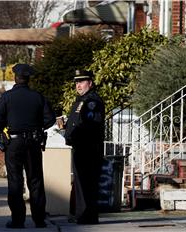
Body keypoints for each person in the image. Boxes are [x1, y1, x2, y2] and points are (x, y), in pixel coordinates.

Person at [0, 63, 55, 229]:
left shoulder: (7, 97)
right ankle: (39, 219)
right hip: (33, 142)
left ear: (15, 78)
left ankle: (18, 220)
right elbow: (50, 119)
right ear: (28, 79)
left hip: (14, 142)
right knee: (35, 181)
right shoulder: (37, 97)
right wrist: (36, 126)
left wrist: (8, 125)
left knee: (15, 181)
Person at [64, 70, 105, 224]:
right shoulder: (82, 100)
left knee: (87, 183)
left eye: (82, 82)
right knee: (81, 183)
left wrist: (75, 135)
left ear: (90, 83)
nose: (78, 85)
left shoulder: (92, 101)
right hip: (80, 147)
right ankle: (82, 214)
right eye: (76, 82)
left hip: (88, 148)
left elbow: (90, 125)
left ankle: (86, 216)